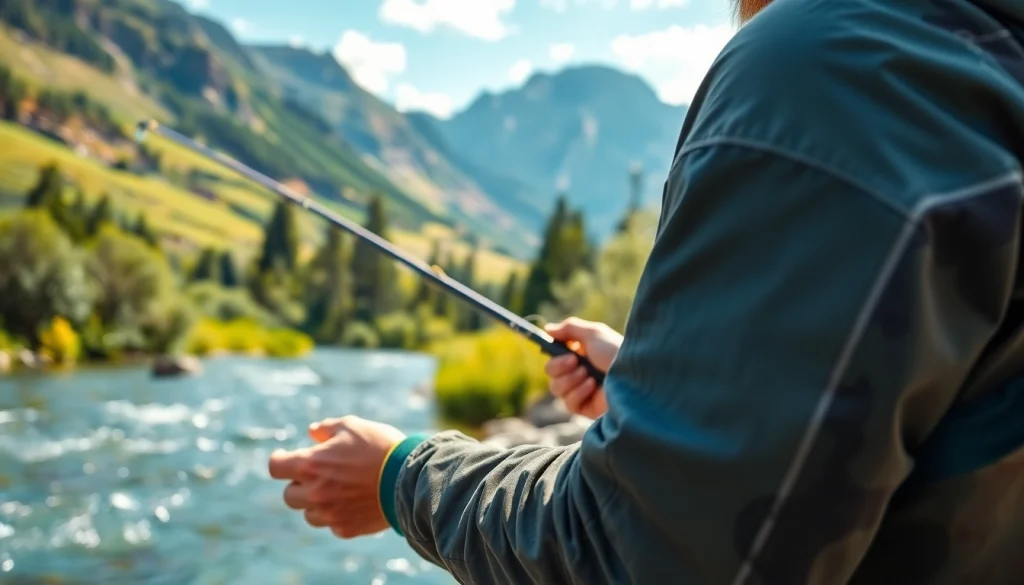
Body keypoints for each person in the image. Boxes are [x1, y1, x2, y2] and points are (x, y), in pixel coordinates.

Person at [267, 0, 1024, 582]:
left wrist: (403, 476)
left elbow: (634, 554)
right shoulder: (985, 63)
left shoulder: (832, 73)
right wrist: (671, 382)